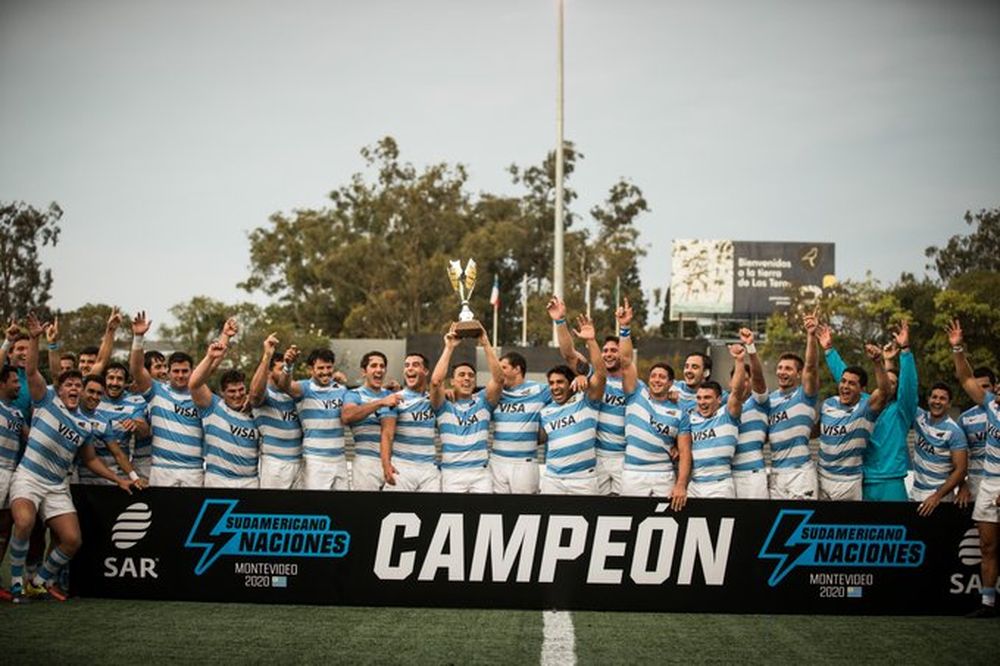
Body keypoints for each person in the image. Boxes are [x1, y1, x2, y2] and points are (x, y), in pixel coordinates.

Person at [7, 314, 136, 602]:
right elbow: (31, 373)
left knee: (72, 540)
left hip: (56, 486)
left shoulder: (85, 424)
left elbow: (90, 460)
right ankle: (17, 582)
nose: (75, 389)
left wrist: (119, 479)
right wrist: (37, 338)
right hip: (29, 477)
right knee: (25, 523)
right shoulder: (46, 400)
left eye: (80, 386)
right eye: (71, 385)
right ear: (60, 388)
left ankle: (40, 581)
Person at [130, 312, 231, 488]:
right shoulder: (156, 391)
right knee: (162, 515)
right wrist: (138, 337)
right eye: (176, 371)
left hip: (193, 469)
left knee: (192, 515)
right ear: (168, 371)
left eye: (185, 371)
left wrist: (226, 336)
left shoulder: (198, 394)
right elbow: (137, 369)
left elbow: (213, 362)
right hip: (162, 468)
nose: (180, 375)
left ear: (192, 371)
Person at [818, 320, 917, 501]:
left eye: (894, 383)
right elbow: (846, 378)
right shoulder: (865, 404)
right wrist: (829, 350)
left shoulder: (901, 411)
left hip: (891, 481)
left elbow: (909, 386)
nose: (889, 384)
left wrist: (905, 351)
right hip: (864, 479)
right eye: (886, 381)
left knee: (894, 529)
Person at [947, 319, 1000, 618]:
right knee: (987, 546)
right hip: (989, 483)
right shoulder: (990, 405)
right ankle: (988, 603)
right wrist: (957, 347)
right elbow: (965, 377)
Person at [549, 295, 626, 495]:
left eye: (613, 350)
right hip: (597, 456)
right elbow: (568, 354)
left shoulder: (634, 385)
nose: (608, 354)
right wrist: (559, 321)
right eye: (606, 350)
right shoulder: (592, 375)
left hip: (625, 457)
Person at [617, 298, 686, 501]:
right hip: (633, 472)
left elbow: (684, 450)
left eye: (662, 377)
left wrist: (680, 484)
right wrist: (625, 328)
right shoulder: (636, 392)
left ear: (671, 382)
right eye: (653, 375)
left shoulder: (679, 411)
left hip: (664, 474)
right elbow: (626, 361)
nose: (656, 380)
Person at [538, 313, 607, 495]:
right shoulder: (546, 412)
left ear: (571, 384)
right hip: (552, 479)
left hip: (583, 479)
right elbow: (538, 440)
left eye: (560, 382)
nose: (555, 387)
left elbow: (600, 375)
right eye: (551, 383)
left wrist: (591, 341)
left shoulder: (586, 401)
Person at [430, 323, 503, 493]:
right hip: (452, 473)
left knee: (484, 518)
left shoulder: (483, 401)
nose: (467, 379)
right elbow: (435, 382)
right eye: (461, 375)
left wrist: (485, 343)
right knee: (451, 518)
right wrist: (449, 347)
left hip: (480, 473)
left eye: (471, 376)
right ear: (452, 382)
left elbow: (499, 379)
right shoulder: (442, 405)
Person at [818, 340, 891, 501]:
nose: (845, 386)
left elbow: (885, 392)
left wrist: (878, 362)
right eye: (843, 381)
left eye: (852, 383)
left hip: (848, 483)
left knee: (844, 525)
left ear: (862, 389)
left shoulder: (866, 408)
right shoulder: (828, 404)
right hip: (821, 478)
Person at [188, 333, 262, 489]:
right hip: (218, 480)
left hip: (250, 481)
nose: (237, 395)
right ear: (222, 393)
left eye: (241, 390)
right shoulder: (213, 406)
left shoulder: (256, 409)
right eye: (231, 391)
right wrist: (210, 357)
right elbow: (194, 384)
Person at [676, 344, 749, 499]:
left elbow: (737, 390)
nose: (702, 402)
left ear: (719, 399)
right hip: (694, 485)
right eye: (699, 398)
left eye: (707, 398)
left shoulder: (728, 414)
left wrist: (739, 360)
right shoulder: (691, 418)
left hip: (720, 485)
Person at [276, 347, 349, 490]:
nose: (326, 371)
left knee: (342, 507)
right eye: (320, 368)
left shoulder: (341, 389)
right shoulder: (305, 388)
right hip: (316, 460)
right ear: (311, 369)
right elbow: (284, 385)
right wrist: (288, 366)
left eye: (329, 367)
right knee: (317, 507)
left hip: (340, 459)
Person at [767, 309, 821, 500]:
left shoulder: (804, 394)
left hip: (800, 474)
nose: (782, 372)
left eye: (788, 368)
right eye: (780, 368)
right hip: (775, 473)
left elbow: (812, 366)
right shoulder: (769, 400)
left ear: (798, 374)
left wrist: (811, 335)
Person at [490, 351, 550, 494]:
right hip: (497, 461)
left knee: (526, 511)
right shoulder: (496, 392)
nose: (499, 372)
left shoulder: (539, 390)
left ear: (517, 369)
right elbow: (468, 398)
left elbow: (565, 393)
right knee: (495, 512)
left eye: (503, 368)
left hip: (525, 463)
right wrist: (452, 392)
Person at [249, 336, 304, 489]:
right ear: (269, 373)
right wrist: (267, 356)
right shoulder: (265, 395)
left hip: (300, 461)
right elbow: (254, 396)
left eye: (287, 368)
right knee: (274, 507)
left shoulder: (294, 395)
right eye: (281, 369)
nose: (284, 373)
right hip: (275, 463)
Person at [342, 351, 400, 491]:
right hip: (365, 463)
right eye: (373, 366)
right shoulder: (354, 394)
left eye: (382, 366)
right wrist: (380, 402)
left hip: (394, 462)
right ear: (364, 371)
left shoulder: (392, 395)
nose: (379, 370)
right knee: (366, 510)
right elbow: (347, 416)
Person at [381, 353, 439, 492]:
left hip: (429, 469)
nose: (410, 368)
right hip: (402, 466)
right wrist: (386, 464)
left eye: (415, 365)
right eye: (407, 365)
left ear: (425, 371)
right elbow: (387, 434)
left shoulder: (433, 399)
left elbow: (438, 384)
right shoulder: (395, 398)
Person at [76, 374, 143, 488]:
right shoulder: (68, 411)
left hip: (80, 478)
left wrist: (135, 478)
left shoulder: (102, 421)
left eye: (99, 393)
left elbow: (117, 454)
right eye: (91, 391)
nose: (95, 397)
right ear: (81, 390)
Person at [910, 383, 968, 516]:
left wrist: (937, 496)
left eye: (942, 398)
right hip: (915, 492)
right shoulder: (919, 417)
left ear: (949, 404)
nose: (937, 401)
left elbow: (961, 470)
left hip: (940, 497)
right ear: (928, 399)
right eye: (934, 397)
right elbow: (906, 395)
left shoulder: (954, 431)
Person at [731, 328, 770, 499]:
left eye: (747, 379)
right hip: (727, 475)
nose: (743, 383)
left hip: (752, 475)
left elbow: (759, 380)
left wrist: (750, 349)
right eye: (740, 378)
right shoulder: (721, 404)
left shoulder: (759, 402)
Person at [97, 362, 151, 481]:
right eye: (111, 378)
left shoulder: (135, 401)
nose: (115, 383)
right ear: (104, 380)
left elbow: (145, 432)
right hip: (89, 472)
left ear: (126, 382)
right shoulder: (94, 397)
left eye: (119, 379)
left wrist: (136, 424)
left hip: (121, 472)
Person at [958, 367, 996, 506]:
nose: (981, 391)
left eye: (985, 386)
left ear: (994, 387)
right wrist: (962, 485)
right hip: (975, 482)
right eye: (977, 387)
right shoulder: (965, 419)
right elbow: (957, 459)